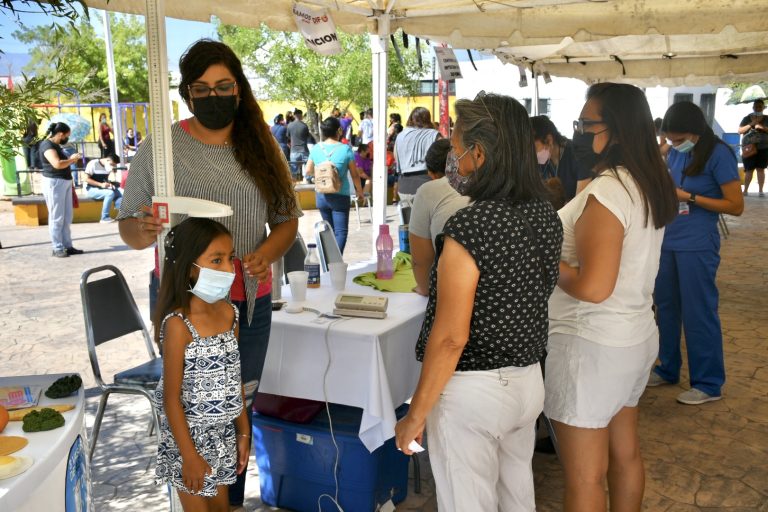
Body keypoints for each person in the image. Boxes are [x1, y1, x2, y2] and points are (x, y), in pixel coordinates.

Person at [117, 39, 301, 510]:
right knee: (193, 404)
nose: (213, 96)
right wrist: (141, 228)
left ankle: (231, 500)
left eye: (223, 86)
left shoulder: (261, 144)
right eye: (201, 88)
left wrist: (265, 253)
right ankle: (194, 497)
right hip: (186, 302)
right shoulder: (163, 147)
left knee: (238, 403)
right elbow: (130, 229)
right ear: (187, 93)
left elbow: (286, 219)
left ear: (238, 89)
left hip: (249, 301)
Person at [395, 93, 562, 511]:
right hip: (527, 382)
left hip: (474, 392)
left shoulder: (471, 225)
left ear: (479, 153)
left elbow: (451, 336)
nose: (454, 159)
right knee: (516, 497)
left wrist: (415, 414)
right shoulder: (544, 212)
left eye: (456, 149)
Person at [545, 83, 679, 512]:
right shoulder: (643, 181)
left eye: (588, 124)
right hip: (631, 336)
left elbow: (593, 287)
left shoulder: (610, 192)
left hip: (592, 346)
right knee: (624, 455)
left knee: (585, 477)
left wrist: (545, 260)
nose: (580, 132)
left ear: (616, 129)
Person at [649, 101, 744, 405]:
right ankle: (667, 367)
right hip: (669, 239)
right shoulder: (676, 152)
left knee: (698, 310)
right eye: (670, 139)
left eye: (679, 139)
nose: (674, 144)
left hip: (697, 243)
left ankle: (708, 382)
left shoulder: (718, 154)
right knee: (665, 306)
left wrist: (690, 196)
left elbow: (735, 206)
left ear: (696, 132)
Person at [153, 217, 250, 512]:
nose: (227, 269)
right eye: (216, 260)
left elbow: (235, 379)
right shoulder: (178, 325)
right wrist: (190, 456)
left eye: (230, 258)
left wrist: (243, 432)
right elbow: (171, 400)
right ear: (188, 266)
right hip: (187, 440)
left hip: (222, 436)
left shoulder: (231, 315)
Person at [408, 138, 470, 296]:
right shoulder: (497, 188)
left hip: (455, 294)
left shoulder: (430, 190)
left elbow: (421, 264)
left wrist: (423, 287)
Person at [305, 116, 365, 252]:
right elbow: (355, 174)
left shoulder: (316, 148)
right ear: (339, 130)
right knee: (341, 232)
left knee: (328, 233)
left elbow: (308, 171)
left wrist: (321, 175)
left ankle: (328, 264)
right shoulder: (345, 149)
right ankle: (335, 264)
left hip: (321, 196)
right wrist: (359, 191)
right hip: (340, 195)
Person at [39, 122, 85, 258]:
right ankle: (57, 247)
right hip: (54, 182)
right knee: (56, 217)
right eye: (67, 136)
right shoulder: (47, 145)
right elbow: (57, 164)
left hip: (64, 182)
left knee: (66, 217)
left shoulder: (57, 145)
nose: (67, 138)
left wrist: (71, 159)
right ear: (60, 134)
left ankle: (67, 245)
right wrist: (71, 160)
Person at [530, 115, 592, 203]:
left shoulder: (577, 155)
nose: (531, 154)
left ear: (549, 140)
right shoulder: (541, 162)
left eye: (533, 148)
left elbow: (581, 201)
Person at [394, 107, 441, 207]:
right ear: (428, 118)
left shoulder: (400, 135)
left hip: (403, 186)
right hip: (426, 184)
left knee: (409, 221)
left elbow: (396, 157)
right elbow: (443, 159)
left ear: (411, 118)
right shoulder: (434, 135)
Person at [738, 99, 768, 196]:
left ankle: (760, 191)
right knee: (749, 169)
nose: (758, 108)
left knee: (761, 169)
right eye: (756, 106)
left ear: (763, 107)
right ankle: (745, 190)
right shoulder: (747, 118)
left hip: (763, 147)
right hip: (749, 148)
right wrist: (752, 124)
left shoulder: (767, 118)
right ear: (753, 107)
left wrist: (762, 128)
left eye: (760, 106)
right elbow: (740, 130)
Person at [85, 153, 122, 223]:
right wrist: (101, 184)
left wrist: (109, 184)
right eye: (112, 164)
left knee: (120, 191)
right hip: (90, 189)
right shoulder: (93, 163)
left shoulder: (107, 167)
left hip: (102, 188)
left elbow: (104, 180)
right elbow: (86, 179)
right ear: (108, 160)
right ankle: (104, 217)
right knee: (109, 193)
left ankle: (122, 212)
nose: (113, 166)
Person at [286, 108, 311, 181]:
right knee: (307, 169)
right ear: (301, 115)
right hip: (304, 150)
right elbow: (307, 136)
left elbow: (288, 136)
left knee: (294, 171)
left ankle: (294, 185)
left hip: (294, 151)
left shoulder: (290, 125)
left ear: (294, 115)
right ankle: (308, 181)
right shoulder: (304, 126)